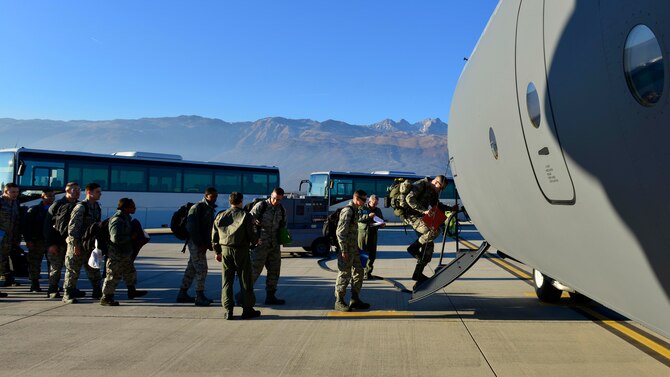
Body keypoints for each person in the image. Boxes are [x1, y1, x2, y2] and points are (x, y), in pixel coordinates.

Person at [212, 192, 261, 320]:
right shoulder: (246, 216)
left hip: (225, 250)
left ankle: (228, 310)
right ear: (241, 201)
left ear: (230, 201)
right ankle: (247, 309)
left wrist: (217, 252)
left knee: (227, 281)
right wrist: (256, 241)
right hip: (241, 250)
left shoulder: (220, 215)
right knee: (245, 280)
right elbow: (252, 235)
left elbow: (214, 236)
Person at [404, 175, 457, 283]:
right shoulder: (421, 184)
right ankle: (413, 248)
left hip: (420, 217)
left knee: (428, 248)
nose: (441, 190)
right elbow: (409, 198)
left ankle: (417, 275)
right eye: (441, 188)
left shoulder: (433, 192)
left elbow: (437, 205)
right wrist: (424, 211)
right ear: (436, 182)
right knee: (434, 231)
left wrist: (451, 208)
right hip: (411, 216)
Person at [100, 198, 148, 306]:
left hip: (125, 252)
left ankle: (132, 291)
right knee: (113, 275)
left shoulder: (125, 218)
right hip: (116, 253)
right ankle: (106, 297)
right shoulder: (117, 220)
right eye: (132, 206)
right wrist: (131, 237)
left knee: (129, 272)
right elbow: (115, 238)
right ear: (125, 208)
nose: (134, 208)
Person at [62, 182, 103, 304]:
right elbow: (73, 228)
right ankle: (67, 294)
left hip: (89, 244)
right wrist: (75, 245)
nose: (100, 194)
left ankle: (97, 291)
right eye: (97, 192)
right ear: (89, 192)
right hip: (77, 244)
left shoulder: (96, 206)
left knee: (93, 268)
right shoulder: (81, 207)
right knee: (73, 269)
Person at [176, 187, 217, 306]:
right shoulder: (197, 207)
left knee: (192, 269)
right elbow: (191, 228)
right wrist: (201, 244)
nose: (214, 198)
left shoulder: (209, 208)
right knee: (202, 269)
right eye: (212, 196)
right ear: (206, 195)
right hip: (196, 243)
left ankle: (182, 294)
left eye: (216, 196)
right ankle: (199, 296)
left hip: (201, 243)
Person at [334, 189, 371, 312]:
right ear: (356, 198)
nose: (365, 202)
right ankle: (339, 301)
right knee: (344, 274)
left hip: (354, 249)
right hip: (346, 249)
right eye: (363, 199)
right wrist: (344, 250)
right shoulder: (348, 211)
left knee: (359, 272)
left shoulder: (356, 211)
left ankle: (355, 299)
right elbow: (340, 233)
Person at [249, 187, 287, 305]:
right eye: (275, 198)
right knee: (254, 271)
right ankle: (244, 294)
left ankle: (270, 296)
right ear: (271, 195)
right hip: (260, 245)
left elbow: (283, 226)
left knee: (274, 272)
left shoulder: (281, 209)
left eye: (279, 200)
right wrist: (254, 239)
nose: (276, 202)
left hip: (274, 246)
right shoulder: (261, 206)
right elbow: (248, 221)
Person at [44, 182, 81, 298]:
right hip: (57, 242)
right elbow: (47, 226)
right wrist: (51, 244)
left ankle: (70, 288)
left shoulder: (80, 205)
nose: (76, 192)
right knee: (56, 267)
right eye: (74, 189)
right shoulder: (57, 205)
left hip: (71, 243)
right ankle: (52, 289)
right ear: (67, 190)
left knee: (72, 267)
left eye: (78, 189)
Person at [23, 188, 55, 292]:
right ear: (42, 196)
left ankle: (52, 285)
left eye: (53, 196)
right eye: (49, 196)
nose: (51, 198)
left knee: (53, 264)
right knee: (34, 263)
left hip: (51, 241)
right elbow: (27, 226)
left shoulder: (56, 209)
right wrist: (28, 240)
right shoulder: (34, 210)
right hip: (37, 241)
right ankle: (34, 284)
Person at [357, 194, 385, 280]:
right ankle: (359, 273)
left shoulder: (378, 210)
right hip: (363, 234)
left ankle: (368, 273)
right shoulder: (362, 208)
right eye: (374, 203)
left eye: (376, 204)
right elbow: (358, 218)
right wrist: (368, 216)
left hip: (373, 233)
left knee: (372, 255)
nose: (375, 205)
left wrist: (382, 224)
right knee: (363, 254)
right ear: (369, 201)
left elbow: (381, 220)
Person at [0, 183, 21, 293]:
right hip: (1, 235)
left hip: (10, 237)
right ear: (6, 191)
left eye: (17, 192)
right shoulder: (1, 202)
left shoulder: (15, 203)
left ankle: (7, 278)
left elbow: (17, 221)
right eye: (13, 192)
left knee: (4, 259)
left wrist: (16, 238)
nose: (15, 194)